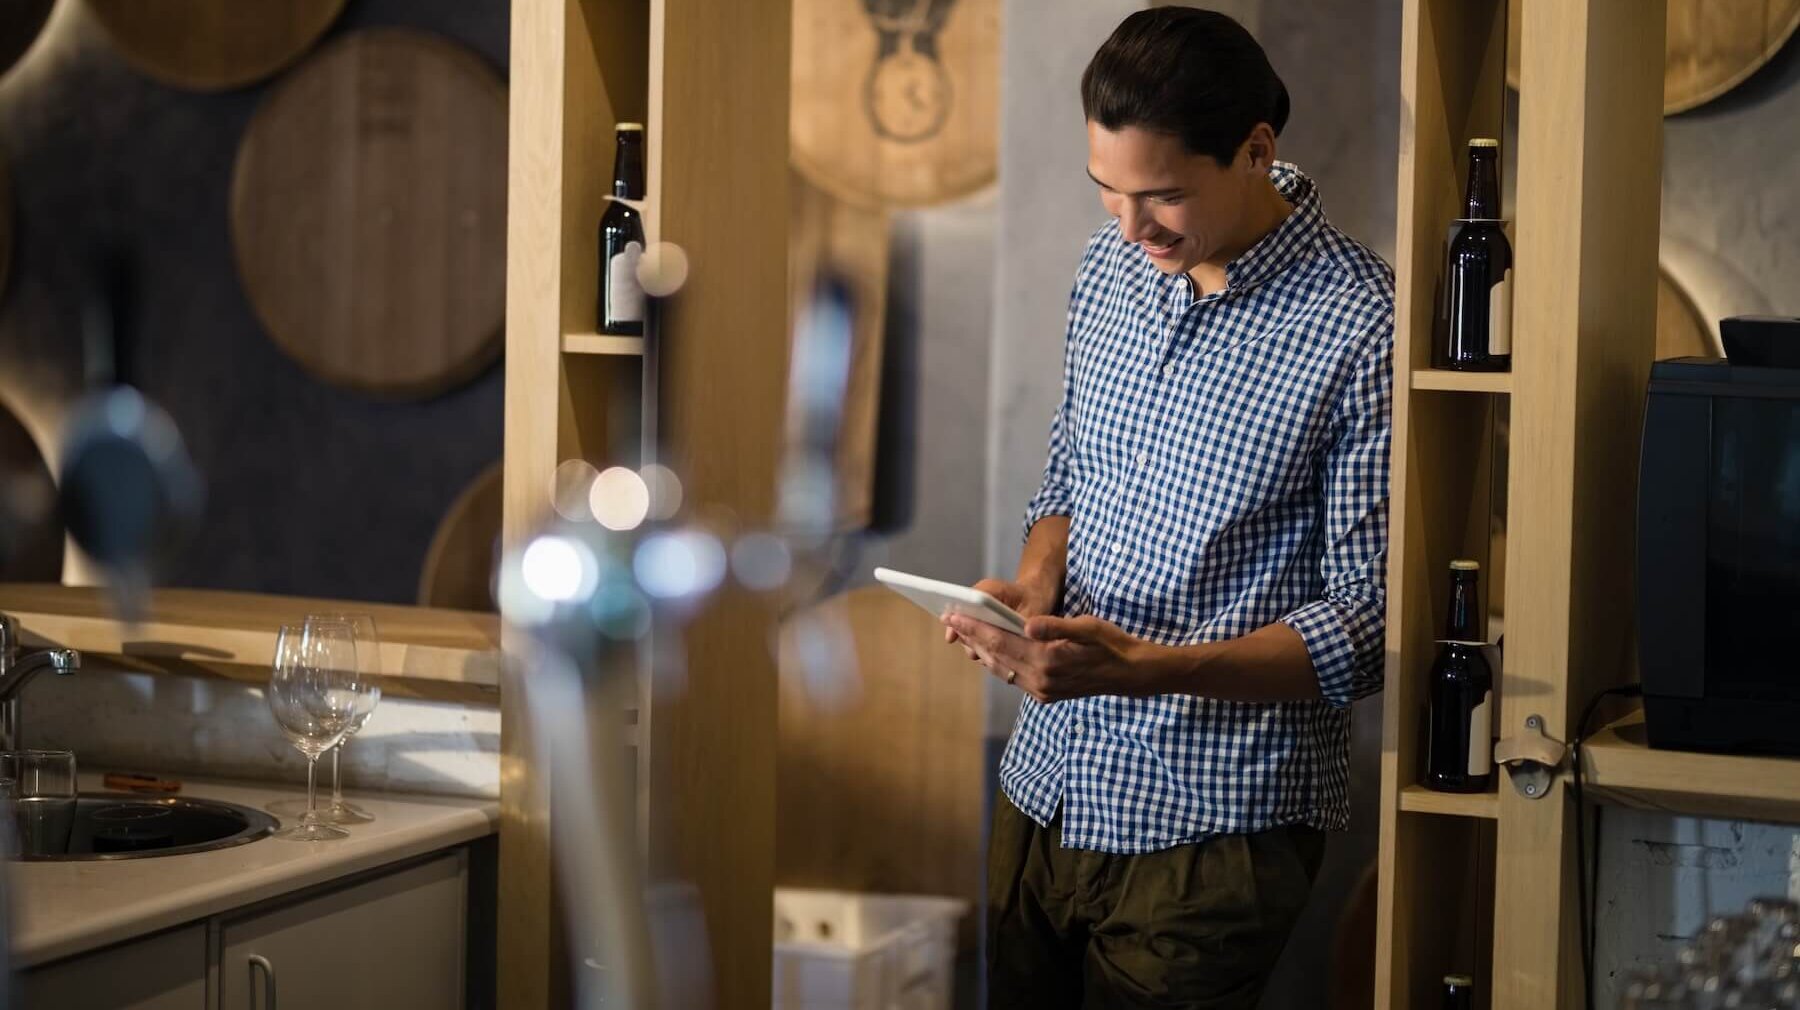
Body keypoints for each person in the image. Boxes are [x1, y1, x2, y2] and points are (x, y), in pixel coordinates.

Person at [941, 9, 1394, 1008]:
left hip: (1215, 820)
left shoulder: (1364, 324)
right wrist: (1030, 583)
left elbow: (1367, 628)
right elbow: (1068, 476)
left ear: (1257, 151)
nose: (1132, 229)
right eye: (1108, 193)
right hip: (1048, 783)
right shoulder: (1110, 269)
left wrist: (1150, 669)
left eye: (1165, 197)